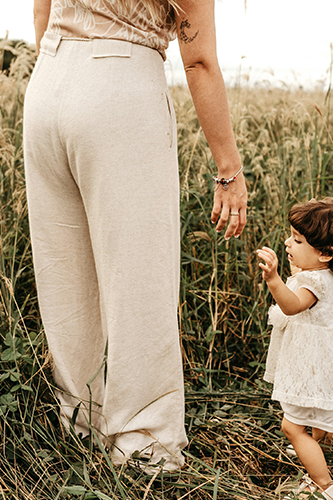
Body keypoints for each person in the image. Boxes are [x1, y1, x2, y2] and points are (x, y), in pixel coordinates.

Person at [24, 0, 247, 472]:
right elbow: (200, 59)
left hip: (48, 77)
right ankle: (145, 444)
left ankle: (78, 420)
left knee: (64, 267)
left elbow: (42, 12)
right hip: (119, 84)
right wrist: (229, 168)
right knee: (139, 272)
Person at [257, 198, 333, 500]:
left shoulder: (311, 283)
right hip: (329, 359)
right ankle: (317, 445)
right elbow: (306, 277)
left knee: (291, 427)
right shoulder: (327, 274)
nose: (287, 243)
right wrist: (297, 265)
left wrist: (274, 279)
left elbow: (292, 306)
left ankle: (324, 485)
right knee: (318, 420)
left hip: (312, 365)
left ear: (326, 253)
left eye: (297, 239)